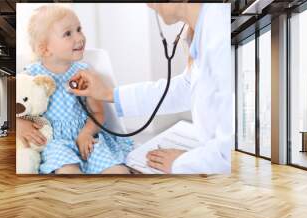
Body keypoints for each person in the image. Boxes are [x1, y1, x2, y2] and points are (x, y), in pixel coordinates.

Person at [69, 3, 233, 174]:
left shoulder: (220, 34)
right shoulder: (205, 30)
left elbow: (227, 153)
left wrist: (181, 163)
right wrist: (109, 94)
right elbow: (185, 88)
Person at [17, 5, 133, 174]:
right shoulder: (30, 76)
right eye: (68, 33)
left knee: (118, 172)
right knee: (68, 173)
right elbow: (17, 106)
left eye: (79, 29)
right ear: (45, 48)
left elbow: (98, 113)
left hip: (87, 137)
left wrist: (86, 133)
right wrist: (20, 123)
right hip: (55, 143)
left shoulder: (85, 73)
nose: (80, 37)